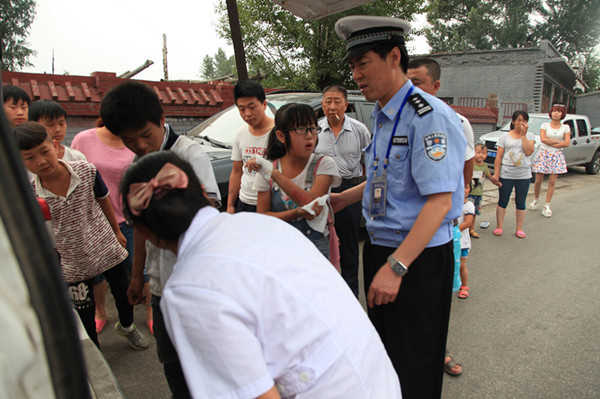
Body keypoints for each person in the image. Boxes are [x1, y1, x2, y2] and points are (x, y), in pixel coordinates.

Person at [120, 150, 402, 399]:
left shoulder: (189, 289)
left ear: (144, 233)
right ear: (204, 194)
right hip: (378, 379)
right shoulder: (260, 226)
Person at [332, 16, 466, 398]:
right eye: (353, 66)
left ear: (394, 57)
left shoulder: (428, 115)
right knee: (386, 357)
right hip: (382, 250)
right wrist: (346, 197)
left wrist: (397, 267)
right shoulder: (382, 111)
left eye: (363, 63)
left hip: (415, 259)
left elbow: (439, 202)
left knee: (417, 363)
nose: (356, 75)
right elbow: (387, 180)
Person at [100, 81, 220, 398]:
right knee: (172, 363)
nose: (139, 145)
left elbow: (208, 217)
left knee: (206, 366)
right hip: (162, 286)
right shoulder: (141, 163)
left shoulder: (189, 155)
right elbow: (142, 227)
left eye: (145, 135)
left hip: (197, 287)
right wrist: (138, 277)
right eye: (129, 140)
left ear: (162, 119)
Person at [15, 121, 149, 350]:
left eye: (44, 151)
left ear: (55, 146)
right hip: (71, 260)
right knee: (84, 312)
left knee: (124, 293)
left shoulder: (86, 170)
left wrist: (116, 232)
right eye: (29, 158)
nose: (40, 161)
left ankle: (127, 327)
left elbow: (103, 199)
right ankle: (94, 353)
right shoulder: (30, 193)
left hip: (106, 247)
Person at [407, 56, 477, 378]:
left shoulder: (455, 122)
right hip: (405, 230)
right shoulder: (399, 119)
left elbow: (466, 163)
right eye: (406, 80)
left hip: (439, 231)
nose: (410, 88)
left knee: (434, 303)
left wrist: (462, 197)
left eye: (417, 82)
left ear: (436, 86)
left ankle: (441, 352)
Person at [71, 120, 153, 335]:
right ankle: (100, 314)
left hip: (129, 218)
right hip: (95, 222)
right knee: (97, 274)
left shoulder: (137, 140)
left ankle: (150, 313)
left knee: (142, 268)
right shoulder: (83, 140)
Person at [253, 103, 341, 261]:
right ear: (281, 136)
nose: (309, 135)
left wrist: (274, 174)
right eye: (300, 129)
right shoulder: (268, 168)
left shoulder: (323, 164)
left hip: (315, 248)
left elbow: (310, 203)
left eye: (313, 128)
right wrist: (295, 213)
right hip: (280, 248)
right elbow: (263, 217)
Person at [315, 85, 371, 297]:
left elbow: (368, 164)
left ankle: (350, 296)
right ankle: (326, 295)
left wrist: (356, 186)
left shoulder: (359, 130)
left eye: (337, 101)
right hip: (322, 190)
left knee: (349, 246)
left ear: (346, 105)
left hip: (350, 189)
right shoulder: (316, 130)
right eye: (328, 101)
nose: (332, 106)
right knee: (322, 242)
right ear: (322, 105)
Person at [227, 80, 274, 213]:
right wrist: (230, 205)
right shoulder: (240, 134)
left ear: (264, 104)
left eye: (252, 107)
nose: (247, 114)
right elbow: (237, 171)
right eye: (242, 109)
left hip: (271, 203)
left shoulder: (279, 133)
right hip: (244, 202)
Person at [493, 110, 535, 238]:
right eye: (519, 120)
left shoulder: (530, 136)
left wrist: (524, 136)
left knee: (520, 201)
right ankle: (499, 226)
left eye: (524, 121)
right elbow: (499, 156)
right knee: (503, 200)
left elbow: (529, 152)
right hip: (507, 174)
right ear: (513, 121)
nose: (521, 123)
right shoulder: (504, 137)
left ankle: (519, 228)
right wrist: (496, 173)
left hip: (523, 175)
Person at [530, 104, 571, 217]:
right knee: (538, 180)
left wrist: (551, 141)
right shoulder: (545, 125)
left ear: (562, 114)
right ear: (551, 113)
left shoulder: (565, 127)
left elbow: (567, 143)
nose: (556, 113)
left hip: (556, 155)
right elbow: (543, 139)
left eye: (559, 111)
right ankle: (536, 199)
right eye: (554, 111)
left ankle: (547, 204)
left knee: (552, 182)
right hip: (544, 153)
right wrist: (558, 142)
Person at [469, 144, 501, 237]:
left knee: (474, 213)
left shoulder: (485, 166)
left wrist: (497, 183)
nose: (481, 155)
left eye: (483, 153)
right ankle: (464, 229)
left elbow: (490, 177)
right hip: (469, 194)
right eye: (478, 152)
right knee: (467, 212)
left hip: (478, 193)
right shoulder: (470, 164)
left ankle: (471, 229)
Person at [458, 183, 475, 299]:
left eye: (467, 187)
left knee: (461, 265)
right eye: (462, 186)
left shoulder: (469, 205)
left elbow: (467, 223)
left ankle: (464, 286)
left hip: (462, 241)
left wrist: (452, 231)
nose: (464, 190)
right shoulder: (450, 202)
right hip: (450, 240)